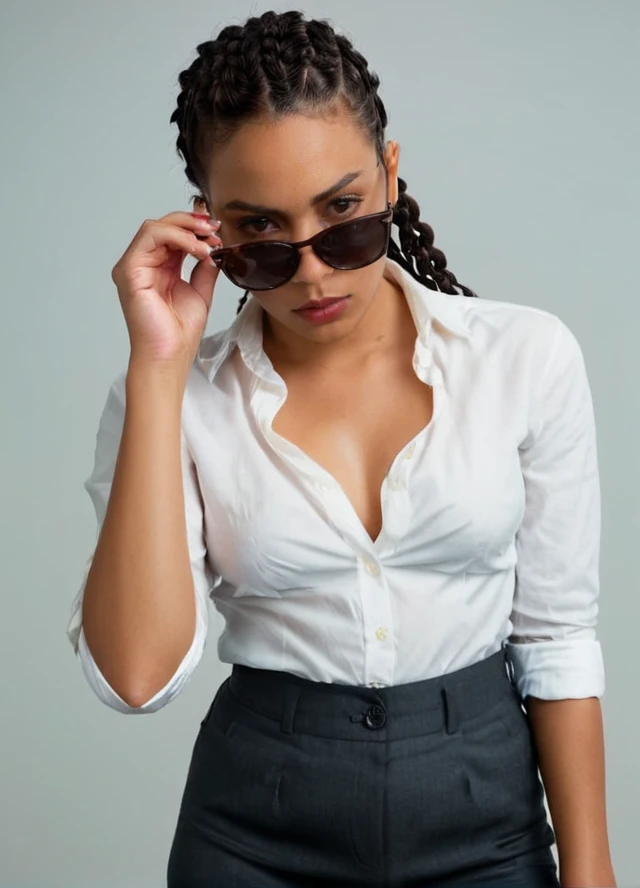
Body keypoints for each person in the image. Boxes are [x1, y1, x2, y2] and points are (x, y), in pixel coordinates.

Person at [66, 10, 616, 888]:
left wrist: (592, 873)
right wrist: (161, 374)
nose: (315, 273)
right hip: (254, 829)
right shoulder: (177, 397)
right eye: (265, 237)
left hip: (486, 815)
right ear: (211, 228)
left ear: (390, 175)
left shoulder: (524, 357)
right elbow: (136, 676)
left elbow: (555, 638)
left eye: (344, 214)